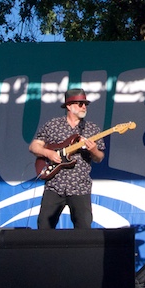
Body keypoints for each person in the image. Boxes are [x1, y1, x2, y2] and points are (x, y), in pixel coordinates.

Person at [29, 88, 105, 229]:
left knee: (83, 229)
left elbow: (99, 157)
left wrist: (94, 150)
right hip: (54, 184)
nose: (84, 107)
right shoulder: (53, 125)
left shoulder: (91, 129)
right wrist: (48, 153)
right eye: (80, 103)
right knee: (44, 227)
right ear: (69, 106)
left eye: (85, 104)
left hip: (80, 186)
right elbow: (34, 146)